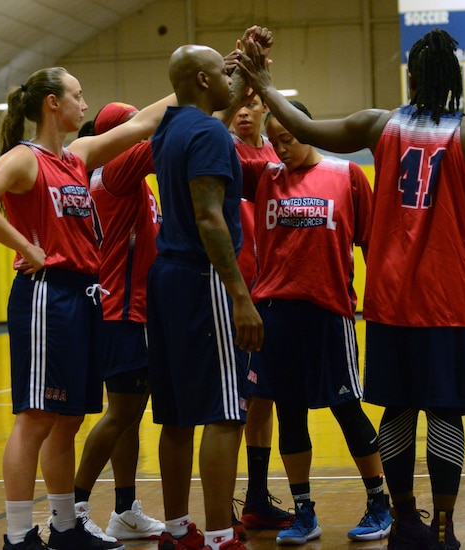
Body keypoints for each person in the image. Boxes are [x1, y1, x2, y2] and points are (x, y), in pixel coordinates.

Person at [236, 27, 465, 550]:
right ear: (455, 79)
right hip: (447, 297)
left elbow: (301, 125)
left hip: (390, 297)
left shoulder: (379, 125)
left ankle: (405, 522)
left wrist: (266, 84)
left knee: (397, 409)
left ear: (411, 77)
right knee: (445, 410)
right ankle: (445, 528)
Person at [0, 67, 174, 550]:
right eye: (78, 96)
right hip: (46, 295)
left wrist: (204, 78)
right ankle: (18, 535)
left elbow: (142, 126)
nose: (85, 104)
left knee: (70, 417)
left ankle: (65, 527)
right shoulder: (25, 158)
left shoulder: (75, 158)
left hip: (85, 295)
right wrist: (26, 247)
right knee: (36, 417)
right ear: (52, 103)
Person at [241, 100, 392, 545]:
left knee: (347, 408)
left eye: (288, 138)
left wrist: (380, 301)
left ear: (309, 131)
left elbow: (371, 243)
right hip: (275, 315)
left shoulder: (347, 176)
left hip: (328, 313)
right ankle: (304, 511)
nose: (281, 148)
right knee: (289, 413)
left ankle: (379, 502)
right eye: (275, 141)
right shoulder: (265, 177)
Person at [146, 32, 270, 550]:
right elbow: (210, 219)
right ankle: (221, 536)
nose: (229, 81)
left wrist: (246, 70)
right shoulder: (212, 137)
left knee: (175, 415)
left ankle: (178, 529)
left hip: (166, 278)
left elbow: (217, 101)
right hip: (204, 280)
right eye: (221, 72)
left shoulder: (171, 129)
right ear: (202, 80)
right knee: (225, 411)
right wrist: (240, 295)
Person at [65, 103, 165, 543]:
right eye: (132, 128)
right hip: (119, 310)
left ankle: (125, 509)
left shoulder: (138, 186)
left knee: (128, 414)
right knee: (123, 411)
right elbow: (160, 135)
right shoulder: (116, 174)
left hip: (133, 311)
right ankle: (72, 509)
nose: (141, 134)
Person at [225, 94, 294, 533]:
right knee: (229, 401)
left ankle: (255, 496)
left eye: (254, 102)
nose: (246, 110)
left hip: (272, 291)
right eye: (239, 103)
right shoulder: (221, 147)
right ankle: (220, 507)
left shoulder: (276, 151)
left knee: (263, 395)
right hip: (234, 291)